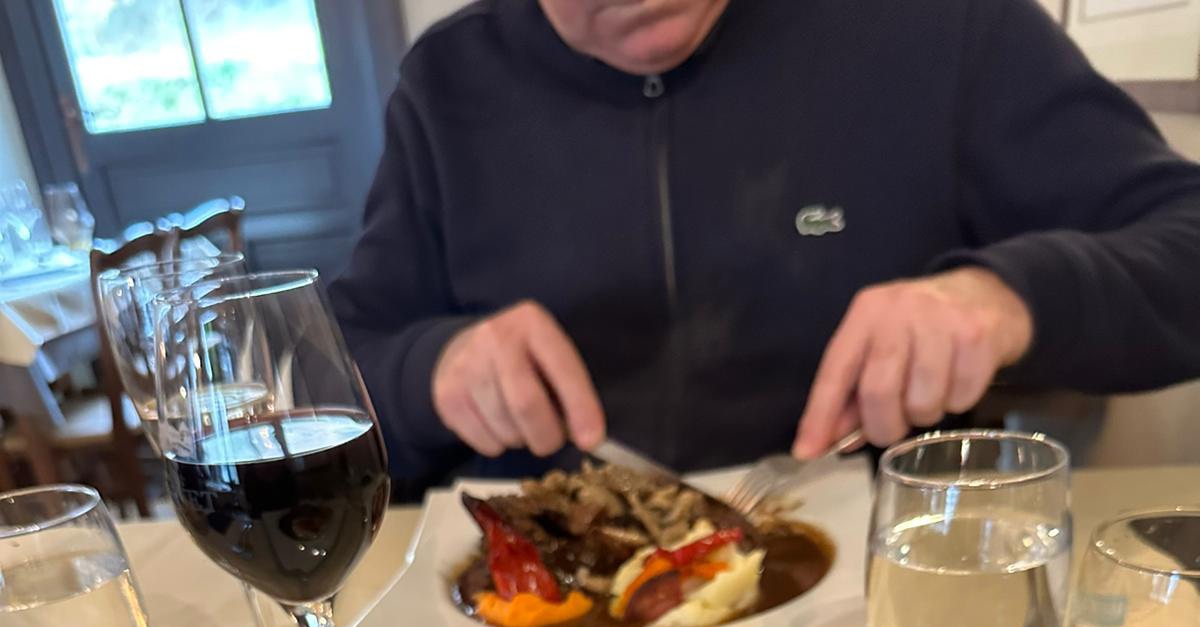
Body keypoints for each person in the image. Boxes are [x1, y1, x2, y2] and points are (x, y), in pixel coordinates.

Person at [330, 0, 1200, 489]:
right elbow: (338, 375)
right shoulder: (448, 82)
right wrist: (432, 370)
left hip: (879, 614)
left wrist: (1007, 296)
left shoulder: (945, 25)